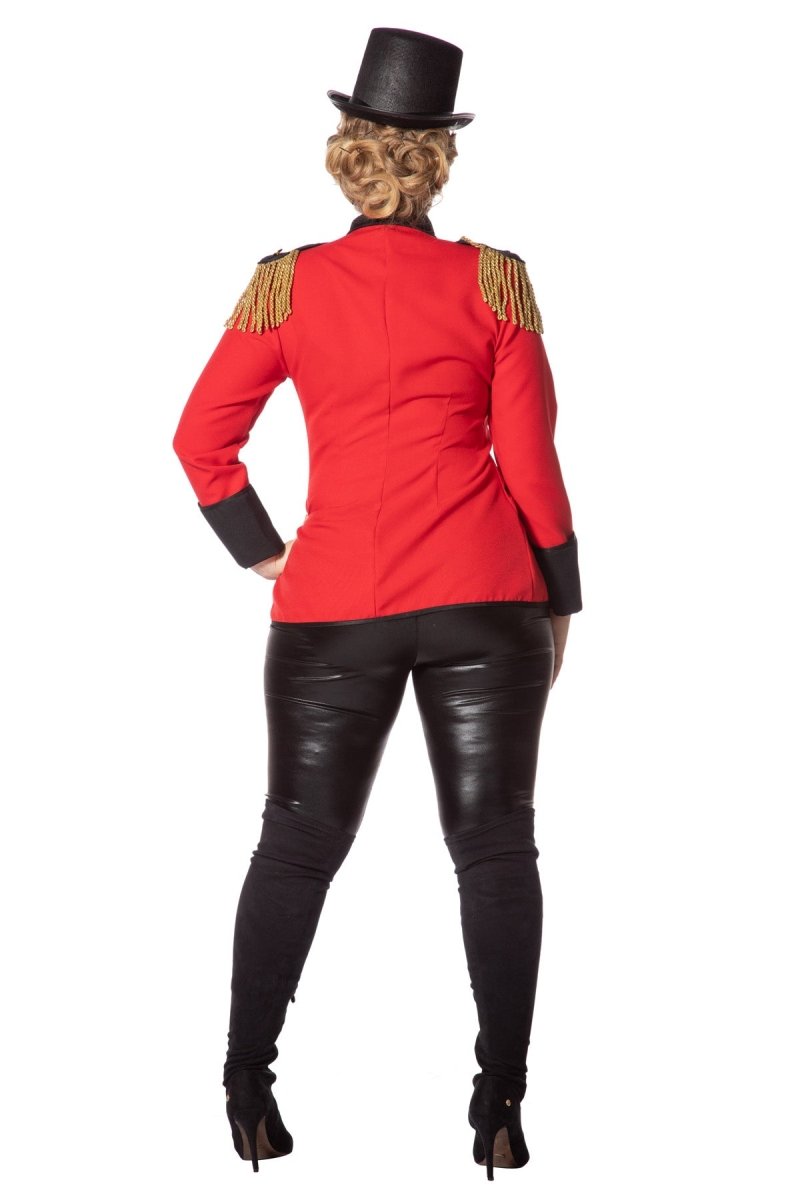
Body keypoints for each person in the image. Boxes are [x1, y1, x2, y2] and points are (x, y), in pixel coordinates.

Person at [172, 26, 583, 1179]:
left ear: (349, 154)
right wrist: (559, 599)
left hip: (333, 602)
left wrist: (265, 554)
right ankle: (499, 1107)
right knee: (494, 849)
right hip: (487, 597)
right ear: (438, 160)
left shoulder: (287, 283)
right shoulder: (493, 281)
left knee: (296, 844)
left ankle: (246, 1089)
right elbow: (531, 463)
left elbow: (201, 441)